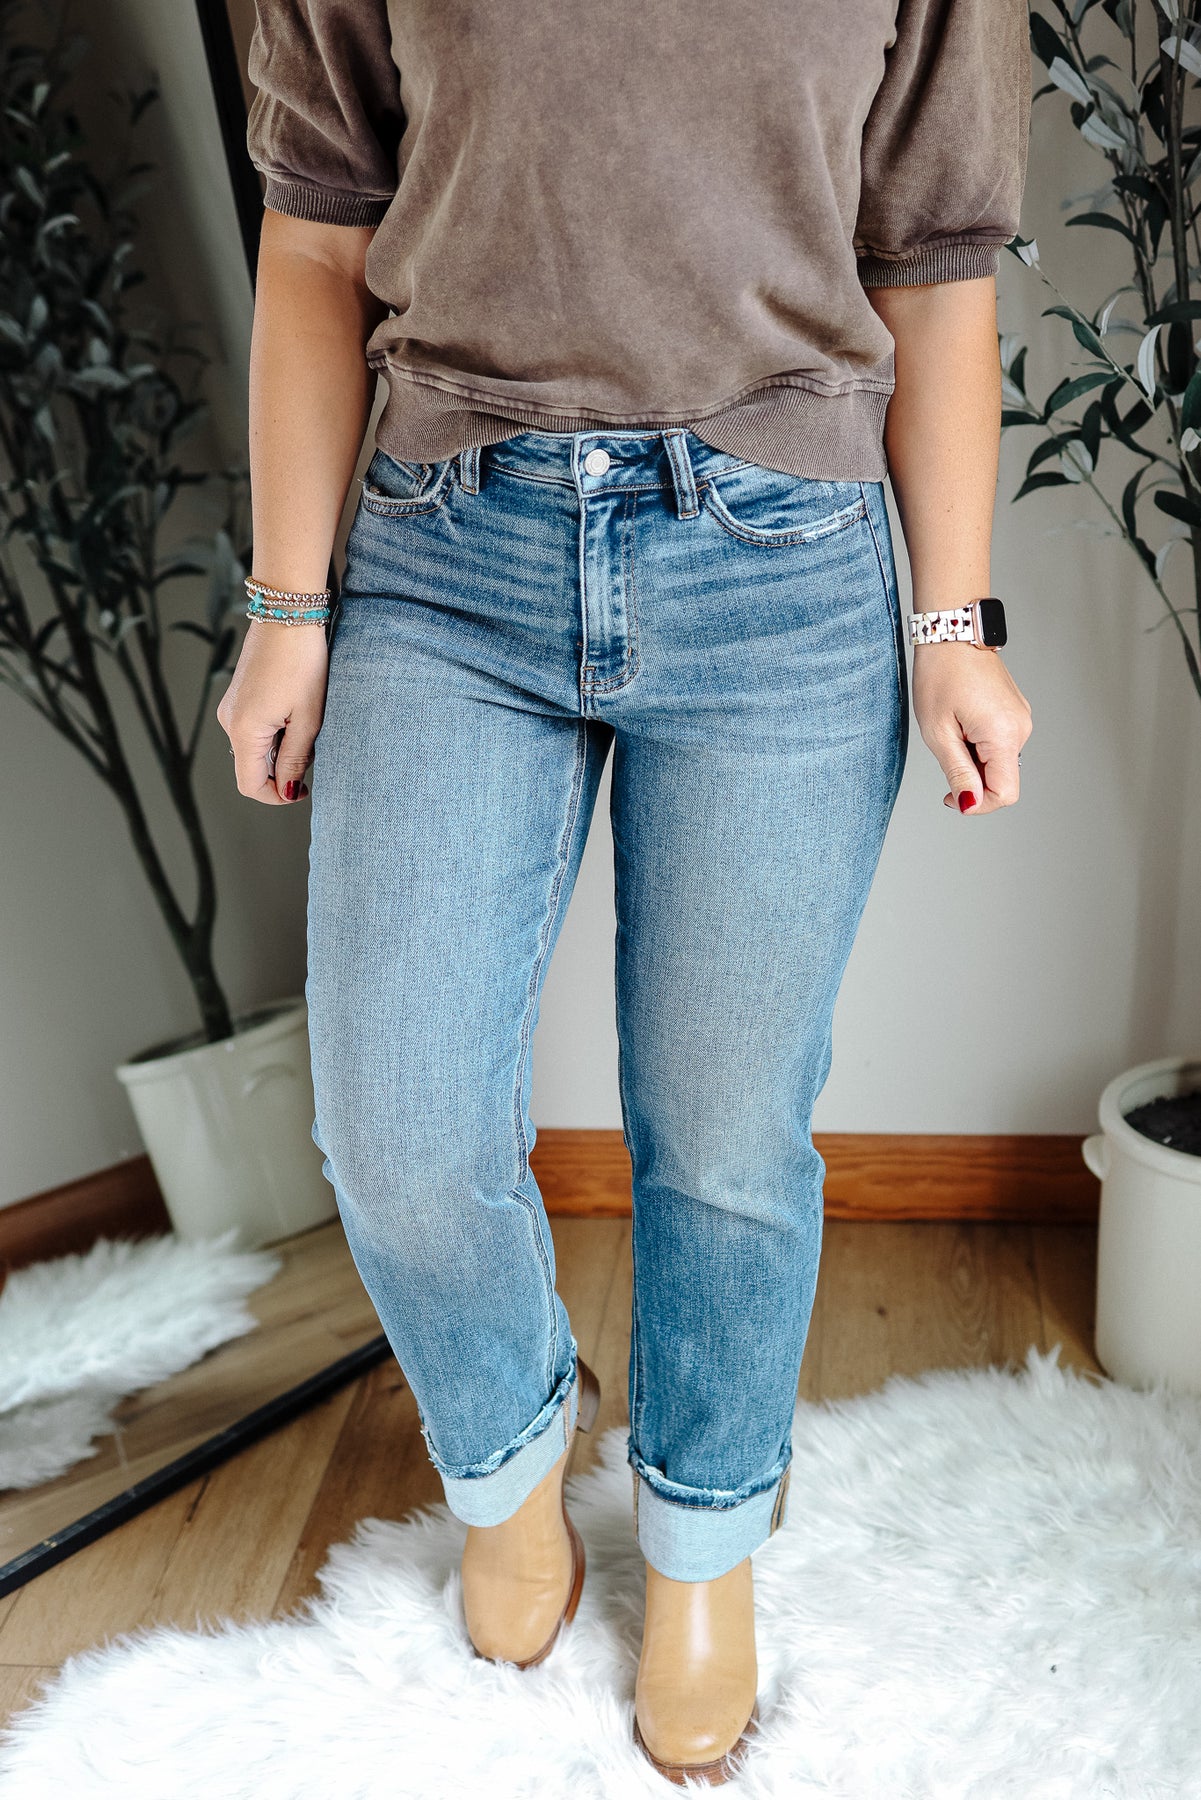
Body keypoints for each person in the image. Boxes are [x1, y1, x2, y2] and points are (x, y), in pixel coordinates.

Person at [217, 0, 1034, 1783]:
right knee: (396, 1126)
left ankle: (703, 1546)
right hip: (446, 552)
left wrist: (952, 625)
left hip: (781, 567)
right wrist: (285, 608)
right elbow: (317, 239)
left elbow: (934, 272)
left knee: (726, 1135)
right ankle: (510, 1477)